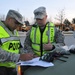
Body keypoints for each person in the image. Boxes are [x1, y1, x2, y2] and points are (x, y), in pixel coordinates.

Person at [0, 10, 33, 75]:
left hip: (12, 68)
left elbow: (19, 47)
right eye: (16, 23)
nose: (17, 26)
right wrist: (19, 57)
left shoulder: (15, 32)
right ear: (9, 19)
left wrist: (29, 56)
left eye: (19, 24)